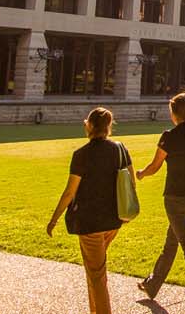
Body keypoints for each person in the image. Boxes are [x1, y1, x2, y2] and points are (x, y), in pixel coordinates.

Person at [135, 93, 185, 314]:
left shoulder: (169, 136)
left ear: (174, 113)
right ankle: (152, 284)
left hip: (175, 200)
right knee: (172, 242)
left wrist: (141, 174)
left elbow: (155, 165)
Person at [47, 107, 132, 314]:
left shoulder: (81, 155)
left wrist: (54, 219)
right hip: (113, 220)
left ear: (90, 126)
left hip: (90, 222)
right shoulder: (120, 149)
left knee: (97, 275)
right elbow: (130, 185)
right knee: (94, 269)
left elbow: (69, 192)